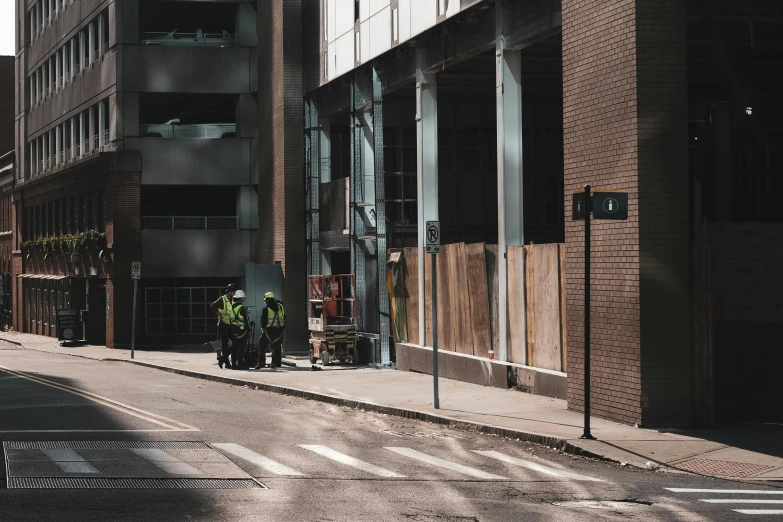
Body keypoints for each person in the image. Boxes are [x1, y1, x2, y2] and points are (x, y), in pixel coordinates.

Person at [255, 292, 285, 369]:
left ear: (267, 300)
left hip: (268, 331)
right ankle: (276, 363)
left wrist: (263, 329)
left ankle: (261, 362)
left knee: (262, 345)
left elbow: (263, 322)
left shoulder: (266, 309)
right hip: (279, 330)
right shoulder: (280, 306)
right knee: (277, 347)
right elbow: (284, 317)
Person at [209, 284, 236, 369]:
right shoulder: (223, 299)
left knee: (236, 342)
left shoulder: (235, 299)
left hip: (231, 324)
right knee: (225, 344)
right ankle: (227, 363)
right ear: (228, 292)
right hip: (223, 324)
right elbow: (212, 306)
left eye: (234, 292)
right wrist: (219, 315)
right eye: (232, 292)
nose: (233, 293)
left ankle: (222, 358)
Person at [227, 290, 250, 370]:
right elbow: (246, 320)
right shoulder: (242, 308)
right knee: (241, 348)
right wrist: (249, 329)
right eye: (243, 298)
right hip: (242, 331)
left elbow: (230, 320)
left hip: (233, 330)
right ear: (241, 299)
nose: (244, 299)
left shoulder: (230, 308)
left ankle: (233, 364)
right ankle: (240, 364)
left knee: (234, 348)